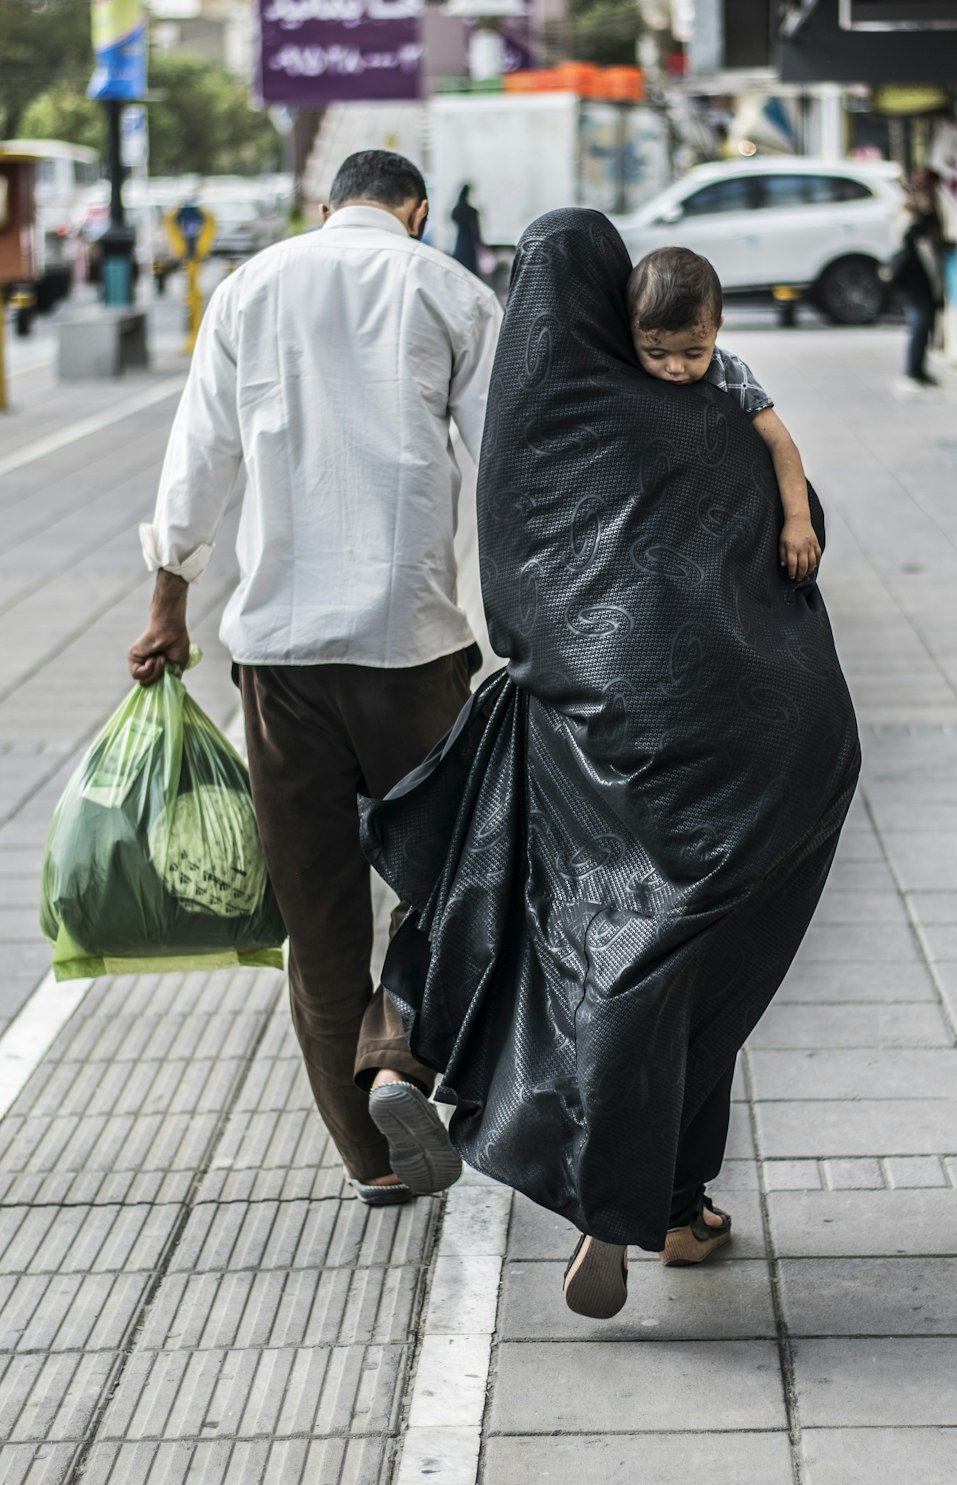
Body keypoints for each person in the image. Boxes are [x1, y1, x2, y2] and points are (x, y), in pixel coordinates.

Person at [360, 208, 860, 1320]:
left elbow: (521, 599)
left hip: (595, 734)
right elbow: (796, 533)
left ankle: (409, 1055)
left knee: (510, 887)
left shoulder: (531, 419)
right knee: (687, 969)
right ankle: (664, 1203)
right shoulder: (709, 415)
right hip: (761, 750)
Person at [127, 150, 503, 1208]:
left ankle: (371, 1160)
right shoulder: (449, 289)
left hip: (278, 658)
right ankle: (399, 1058)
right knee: (447, 877)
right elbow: (508, 463)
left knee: (317, 906)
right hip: (413, 647)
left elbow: (198, 452)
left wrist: (167, 607)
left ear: (324, 206)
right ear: (416, 212)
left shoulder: (251, 286)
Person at [628, 246, 821, 582]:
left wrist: (798, 520)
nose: (675, 368)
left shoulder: (729, 374)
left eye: (693, 352)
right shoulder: (624, 369)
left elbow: (781, 444)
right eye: (656, 352)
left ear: (717, 327)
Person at [890, 167, 949, 390]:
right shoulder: (911, 212)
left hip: (923, 275)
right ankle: (912, 371)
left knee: (923, 323)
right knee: (919, 322)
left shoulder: (925, 209)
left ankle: (918, 369)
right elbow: (906, 237)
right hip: (914, 276)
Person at [451, 183, 483, 277]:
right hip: (469, 242)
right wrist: (479, 242)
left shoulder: (457, 210)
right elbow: (476, 230)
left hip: (460, 241)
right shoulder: (472, 211)